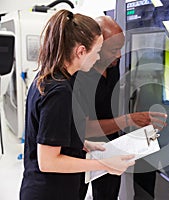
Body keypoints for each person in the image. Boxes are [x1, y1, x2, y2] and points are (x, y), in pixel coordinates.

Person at [19, 10, 135, 200]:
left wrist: (85, 145)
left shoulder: (51, 78)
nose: (98, 58)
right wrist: (105, 165)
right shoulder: (59, 91)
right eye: (97, 52)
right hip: (49, 192)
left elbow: (51, 134)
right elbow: (48, 162)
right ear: (81, 51)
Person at [75, 16, 167, 200]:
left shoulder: (113, 65)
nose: (119, 56)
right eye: (114, 50)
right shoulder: (79, 76)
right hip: (80, 148)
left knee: (109, 193)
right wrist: (128, 120)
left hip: (111, 143)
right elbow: (84, 127)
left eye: (120, 49)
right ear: (96, 46)